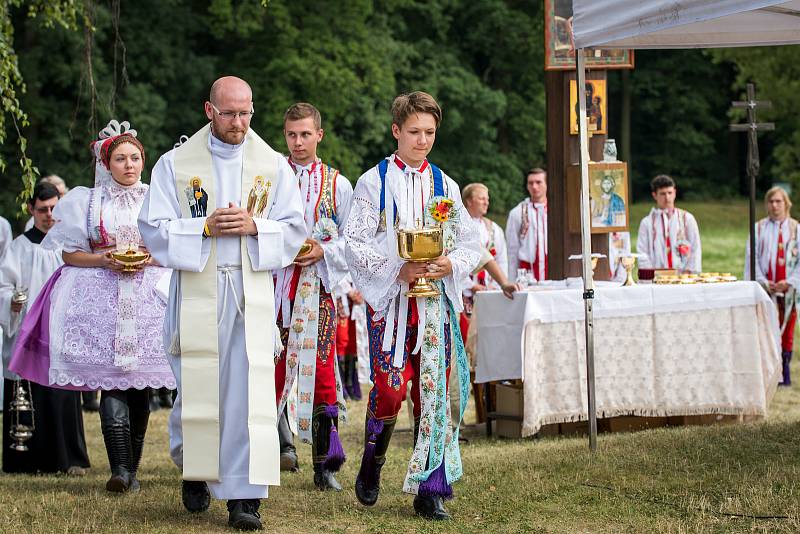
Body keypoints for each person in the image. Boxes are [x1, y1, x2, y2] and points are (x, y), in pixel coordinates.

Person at [138, 76, 305, 531]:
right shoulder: (175, 164)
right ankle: (196, 467)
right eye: (229, 113)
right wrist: (203, 228)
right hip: (197, 289)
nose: (239, 122)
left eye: (246, 112)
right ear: (209, 110)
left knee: (248, 392)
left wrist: (257, 227)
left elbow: (294, 227)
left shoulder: (272, 165)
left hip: (248, 291)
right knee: (196, 384)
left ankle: (244, 497)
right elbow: (152, 229)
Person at [9, 120, 175, 494]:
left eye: (135, 157)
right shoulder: (88, 200)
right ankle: (118, 470)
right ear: (107, 162)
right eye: (120, 158)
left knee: (140, 386)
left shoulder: (158, 198)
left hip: (149, 299)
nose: (129, 165)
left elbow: (171, 250)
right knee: (111, 379)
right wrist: (105, 260)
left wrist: (146, 258)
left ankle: (131, 468)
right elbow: (69, 253)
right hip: (102, 297)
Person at [345, 91, 481, 521]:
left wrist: (449, 263)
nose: (422, 141)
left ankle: (430, 487)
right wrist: (396, 269)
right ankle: (373, 462)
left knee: (432, 394)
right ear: (396, 131)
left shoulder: (446, 184)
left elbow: (470, 241)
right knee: (389, 390)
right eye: (415, 132)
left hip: (434, 306)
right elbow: (354, 242)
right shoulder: (374, 182)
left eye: (430, 133)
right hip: (392, 304)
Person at [273, 102, 352, 490]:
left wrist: (324, 250)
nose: (298, 142)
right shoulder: (268, 177)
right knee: (266, 370)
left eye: (305, 134)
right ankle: (263, 453)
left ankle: (325, 465)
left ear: (319, 134)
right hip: (272, 288)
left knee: (322, 374)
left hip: (317, 289)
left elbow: (353, 240)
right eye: (291, 134)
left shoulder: (338, 184)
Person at [0, 182, 90, 475]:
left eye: (53, 208)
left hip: (62, 330)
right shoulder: (19, 248)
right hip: (29, 332)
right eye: (42, 210)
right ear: (31, 210)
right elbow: (4, 286)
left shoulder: (70, 246)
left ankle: (69, 459)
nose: (49, 215)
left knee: (62, 394)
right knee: (31, 395)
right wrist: (12, 302)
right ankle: (28, 461)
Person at [745, 186, 800, 386]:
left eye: (779, 201)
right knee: (767, 330)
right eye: (771, 201)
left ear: (786, 203)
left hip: (788, 290)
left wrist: (790, 282)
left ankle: (785, 370)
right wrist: (764, 282)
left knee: (787, 330)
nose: (775, 205)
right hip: (767, 288)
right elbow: (753, 258)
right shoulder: (759, 228)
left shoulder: (796, 229)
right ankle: (769, 372)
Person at [636, 174, 701, 273]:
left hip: (683, 277)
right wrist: (651, 275)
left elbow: (695, 248)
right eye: (662, 194)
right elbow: (642, 252)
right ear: (654, 195)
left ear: (675, 192)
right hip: (656, 277)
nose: (667, 197)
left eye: (670, 193)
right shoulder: (647, 223)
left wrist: (688, 273)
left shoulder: (687, 219)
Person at [506, 168, 548, 283]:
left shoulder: (556, 211)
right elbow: (512, 250)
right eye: (531, 183)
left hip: (552, 270)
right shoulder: (517, 213)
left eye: (538, 182)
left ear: (546, 184)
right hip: (527, 273)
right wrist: (511, 280)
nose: (534, 186)